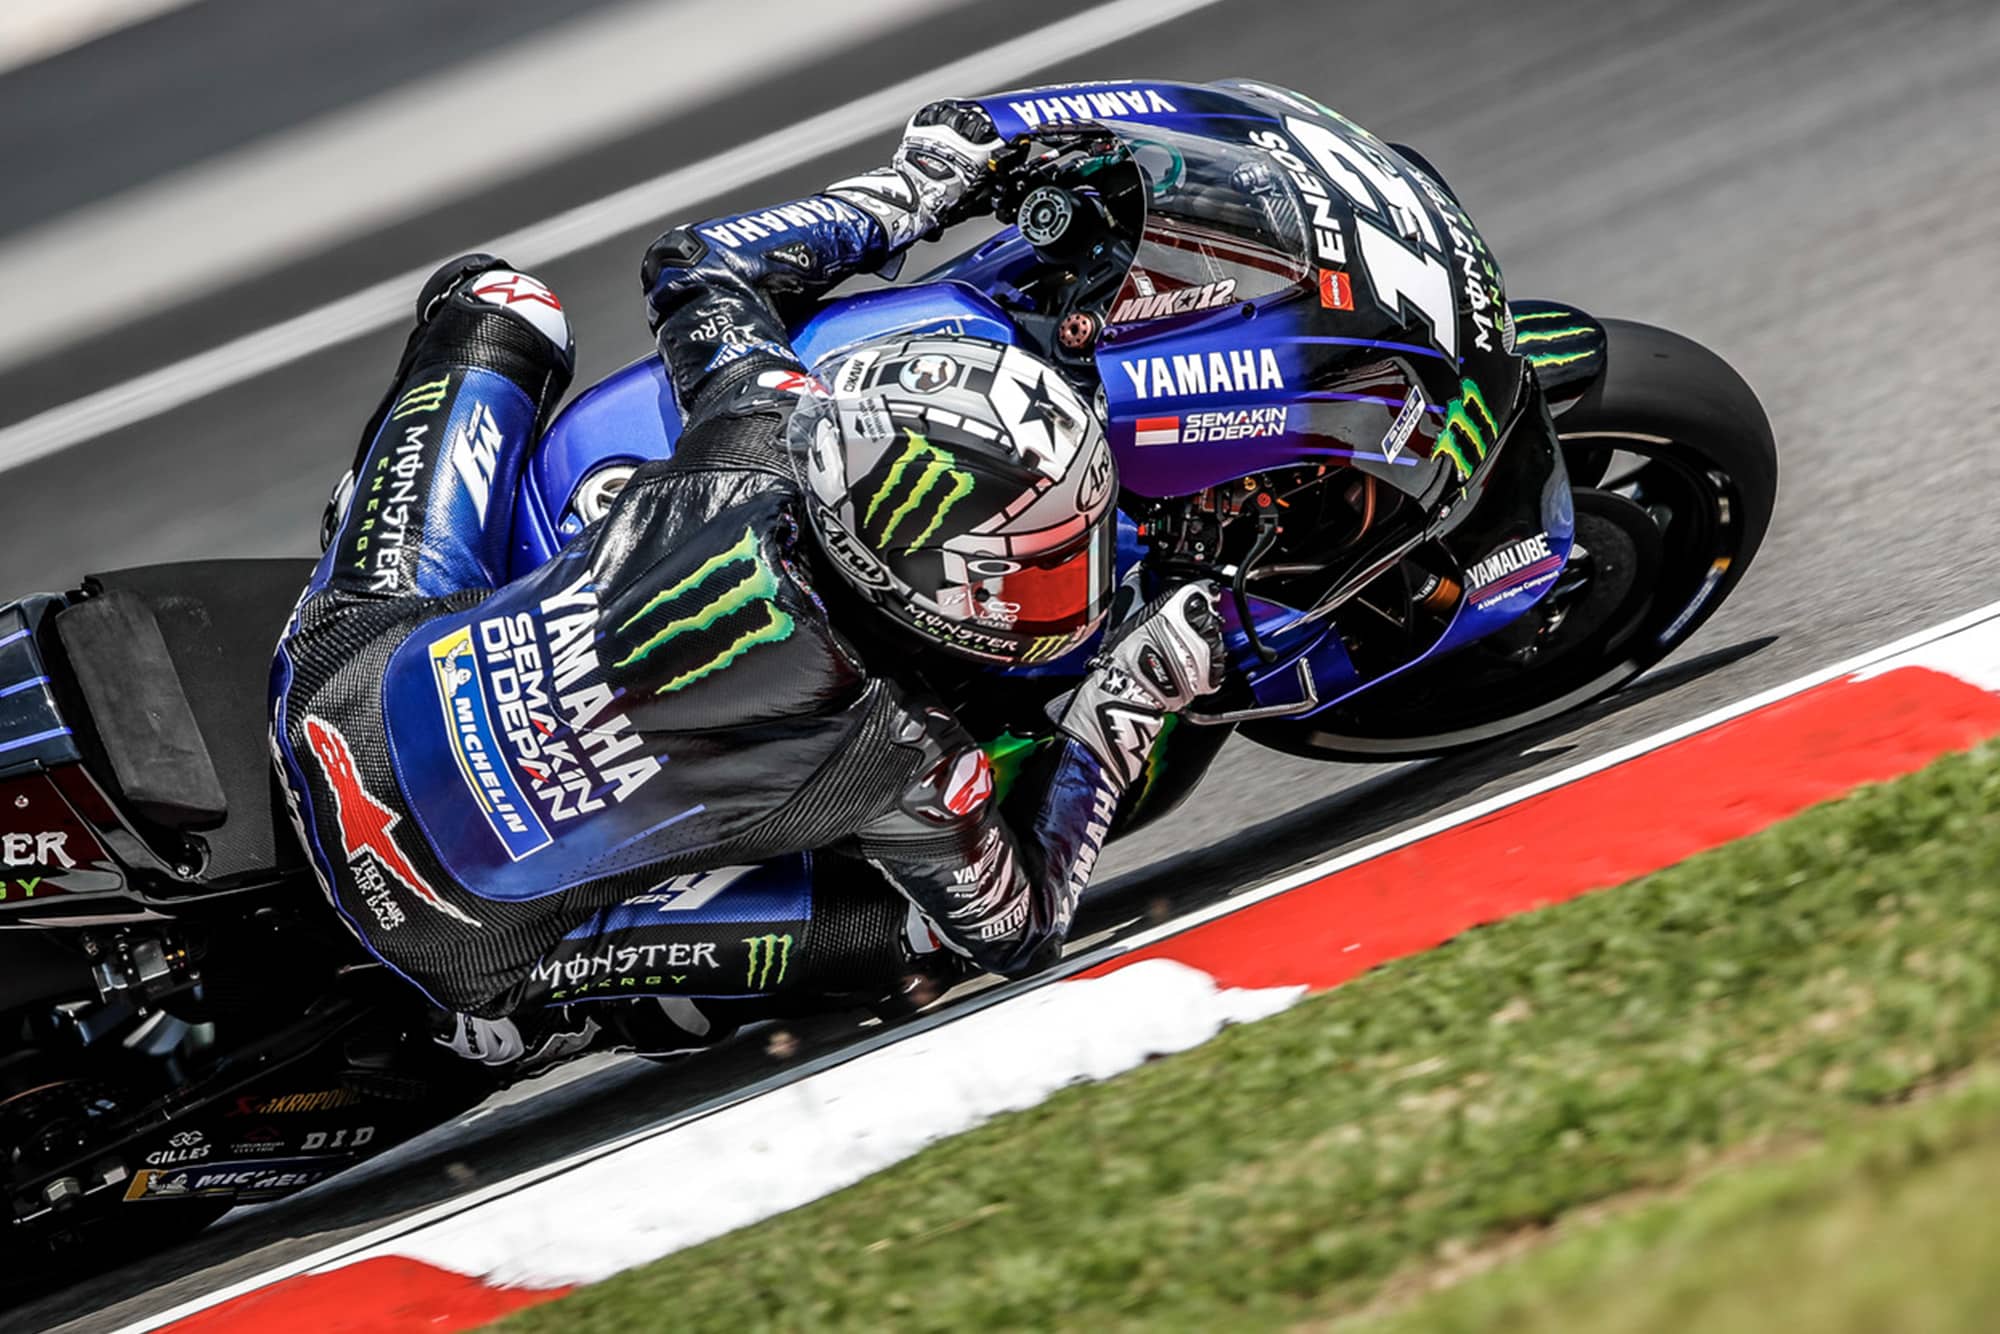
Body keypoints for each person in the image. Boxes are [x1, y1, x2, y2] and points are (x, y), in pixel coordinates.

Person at [270, 101, 1226, 1066]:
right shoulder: (901, 753)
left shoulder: (755, 444)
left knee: (498, 300)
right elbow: (1019, 929)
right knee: (923, 934)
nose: (1074, 587)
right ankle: (535, 1017)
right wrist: (1122, 707)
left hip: (330, 683)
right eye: (1041, 567)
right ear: (926, 584)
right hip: (448, 938)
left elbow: (694, 262)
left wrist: (915, 192)